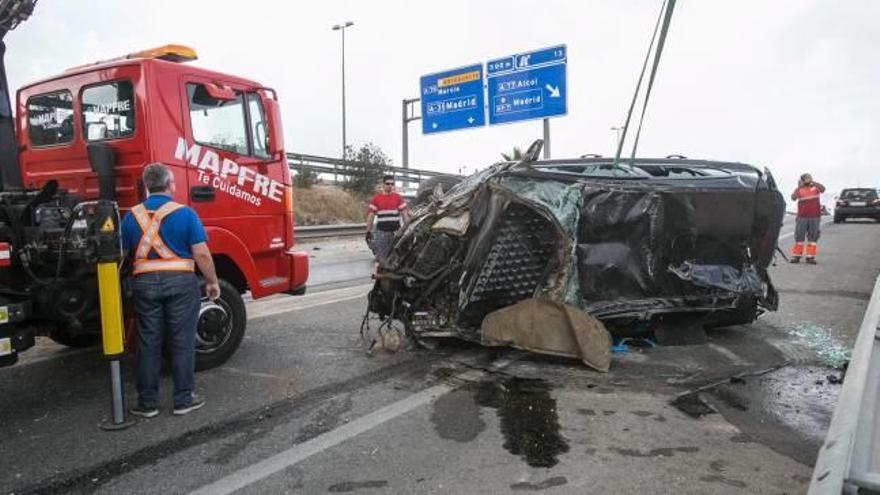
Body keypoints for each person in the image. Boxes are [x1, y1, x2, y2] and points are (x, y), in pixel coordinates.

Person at [121, 163, 220, 418]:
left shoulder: (131, 216)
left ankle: (147, 404)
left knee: (148, 342)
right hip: (180, 283)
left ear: (146, 186)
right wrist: (212, 281)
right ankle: (183, 400)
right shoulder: (186, 214)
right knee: (181, 342)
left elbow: (121, 256)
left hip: (144, 284)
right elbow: (201, 253)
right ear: (169, 185)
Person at [365, 175, 410, 274]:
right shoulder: (376, 198)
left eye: (392, 184)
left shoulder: (398, 197)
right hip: (382, 233)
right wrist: (368, 231)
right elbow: (371, 217)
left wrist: (408, 229)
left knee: (398, 257)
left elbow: (405, 215)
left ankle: (394, 279)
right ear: (383, 185)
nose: (390, 186)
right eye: (387, 184)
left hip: (396, 233)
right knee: (381, 258)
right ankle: (378, 278)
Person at [790, 173, 826, 264]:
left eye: (810, 177)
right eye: (807, 178)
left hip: (815, 216)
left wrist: (813, 183)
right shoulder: (799, 189)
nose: (809, 179)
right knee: (799, 236)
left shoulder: (815, 187)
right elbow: (793, 198)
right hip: (802, 216)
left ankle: (810, 257)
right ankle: (796, 256)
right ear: (802, 180)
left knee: (813, 237)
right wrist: (798, 187)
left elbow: (823, 189)